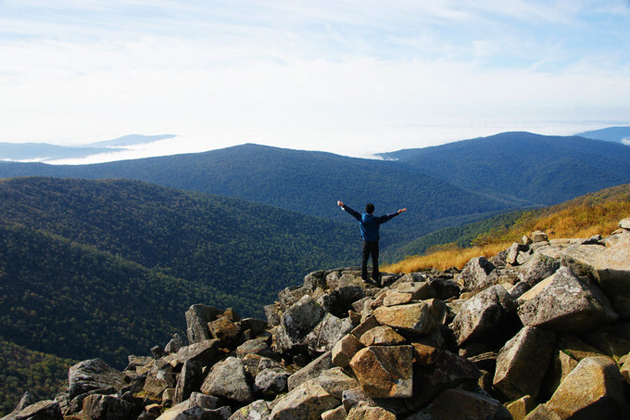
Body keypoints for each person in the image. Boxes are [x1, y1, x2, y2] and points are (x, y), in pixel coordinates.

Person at [337, 200, 407, 284]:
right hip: (374, 242)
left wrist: (343, 205)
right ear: (373, 211)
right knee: (375, 260)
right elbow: (386, 217)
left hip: (366, 242)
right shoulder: (376, 220)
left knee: (364, 260)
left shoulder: (361, 217)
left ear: (366, 210)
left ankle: (364, 277)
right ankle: (375, 277)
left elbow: (352, 211)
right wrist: (397, 212)